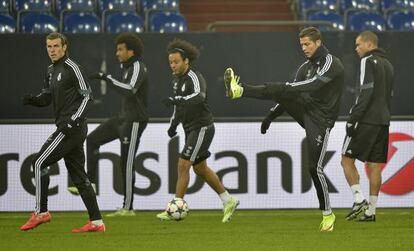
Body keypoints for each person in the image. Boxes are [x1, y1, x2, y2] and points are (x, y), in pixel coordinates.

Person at [223, 27, 344, 231]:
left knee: (314, 168)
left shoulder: (332, 63)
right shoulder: (304, 67)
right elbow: (289, 96)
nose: (304, 48)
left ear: (318, 42)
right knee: (282, 90)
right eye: (301, 45)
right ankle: (240, 90)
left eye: (307, 44)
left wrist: (284, 88)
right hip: (304, 110)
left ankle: (328, 214)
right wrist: (270, 116)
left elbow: (313, 85)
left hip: (321, 120)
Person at [20, 32, 105, 233]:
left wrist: (73, 120)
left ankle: (41, 212)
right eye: (49, 47)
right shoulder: (51, 70)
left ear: (65, 47)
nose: (53, 50)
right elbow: (47, 97)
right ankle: (97, 222)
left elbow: (87, 98)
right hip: (67, 127)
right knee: (79, 177)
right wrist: (33, 100)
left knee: (39, 162)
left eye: (56, 46)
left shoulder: (73, 68)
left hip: (72, 128)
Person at [156, 38, 239, 223]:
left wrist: (177, 100)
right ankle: (229, 200)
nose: (173, 65)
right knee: (200, 169)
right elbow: (178, 106)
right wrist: (173, 124)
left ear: (186, 61)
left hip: (202, 127)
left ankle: (176, 206)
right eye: (170, 62)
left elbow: (199, 98)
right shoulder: (176, 80)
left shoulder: (195, 77)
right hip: (190, 128)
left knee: (183, 164)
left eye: (176, 62)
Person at [67, 33, 149, 217]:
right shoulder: (127, 68)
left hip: (134, 120)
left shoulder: (138, 67)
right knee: (92, 140)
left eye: (121, 49)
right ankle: (92, 181)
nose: (117, 53)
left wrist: (106, 78)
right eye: (117, 49)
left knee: (126, 162)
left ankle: (128, 208)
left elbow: (130, 90)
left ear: (131, 51)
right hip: (122, 118)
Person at [341, 31, 394, 222]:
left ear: (369, 44)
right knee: (374, 166)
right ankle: (371, 211)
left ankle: (358, 199)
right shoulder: (388, 65)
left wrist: (353, 118)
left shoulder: (367, 61)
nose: (356, 49)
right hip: (383, 120)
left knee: (346, 159)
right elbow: (389, 95)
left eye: (358, 45)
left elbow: (365, 91)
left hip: (366, 120)